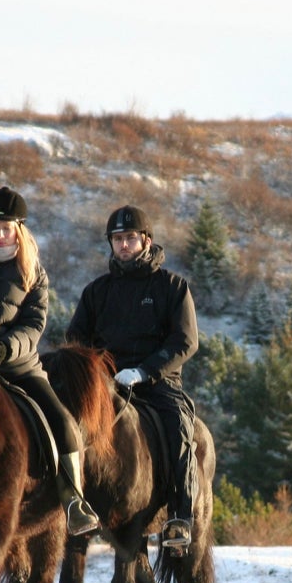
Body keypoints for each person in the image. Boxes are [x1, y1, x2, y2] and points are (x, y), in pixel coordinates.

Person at [0, 186, 100, 536]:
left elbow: (34, 324)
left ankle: (73, 500)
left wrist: (4, 347)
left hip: (20, 366)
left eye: (5, 228)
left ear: (19, 230)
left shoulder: (33, 273)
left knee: (64, 423)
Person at [66, 204, 199, 549]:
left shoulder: (173, 287)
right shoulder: (96, 292)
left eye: (130, 238)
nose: (124, 245)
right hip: (106, 387)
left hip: (158, 384)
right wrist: (98, 375)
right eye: (118, 239)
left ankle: (180, 515)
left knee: (179, 428)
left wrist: (144, 371)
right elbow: (76, 341)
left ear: (146, 240)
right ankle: (69, 505)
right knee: (63, 423)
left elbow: (185, 341)